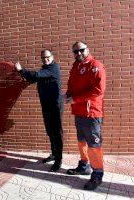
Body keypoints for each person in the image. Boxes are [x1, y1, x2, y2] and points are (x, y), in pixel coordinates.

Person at [64, 41, 106, 190]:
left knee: (94, 145)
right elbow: (71, 84)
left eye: (81, 50)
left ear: (87, 50)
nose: (78, 53)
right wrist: (68, 94)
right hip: (79, 112)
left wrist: (75, 99)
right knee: (81, 141)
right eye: (75, 52)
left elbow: (98, 90)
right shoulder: (76, 66)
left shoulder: (95, 66)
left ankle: (97, 175)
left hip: (92, 113)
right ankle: (84, 166)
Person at [15, 49, 63, 172]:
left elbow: (35, 76)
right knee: (50, 131)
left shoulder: (53, 68)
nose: (45, 59)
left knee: (57, 133)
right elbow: (32, 79)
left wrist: (21, 70)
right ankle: (53, 154)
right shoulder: (45, 70)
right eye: (43, 58)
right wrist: (23, 75)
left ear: (52, 57)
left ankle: (58, 160)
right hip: (46, 105)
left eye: (47, 57)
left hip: (55, 106)